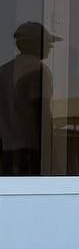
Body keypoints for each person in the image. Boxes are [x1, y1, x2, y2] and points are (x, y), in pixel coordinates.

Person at [0, 22, 58, 175]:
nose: (50, 47)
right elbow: (42, 112)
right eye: (47, 42)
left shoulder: (3, 71)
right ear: (35, 43)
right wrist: (50, 147)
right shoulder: (39, 70)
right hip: (30, 149)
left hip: (6, 149)